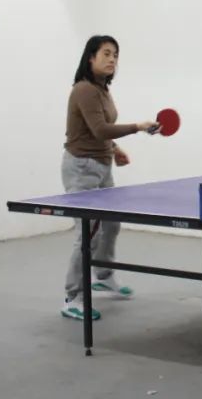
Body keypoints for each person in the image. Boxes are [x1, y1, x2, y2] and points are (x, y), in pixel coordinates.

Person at [60, 35, 158, 321]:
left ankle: (102, 276)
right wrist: (138, 126)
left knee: (111, 224)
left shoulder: (102, 89)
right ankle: (73, 297)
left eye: (115, 54)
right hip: (81, 168)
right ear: (91, 57)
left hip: (102, 167)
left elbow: (98, 130)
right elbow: (100, 129)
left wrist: (114, 149)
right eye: (106, 53)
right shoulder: (84, 89)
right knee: (88, 233)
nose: (112, 59)